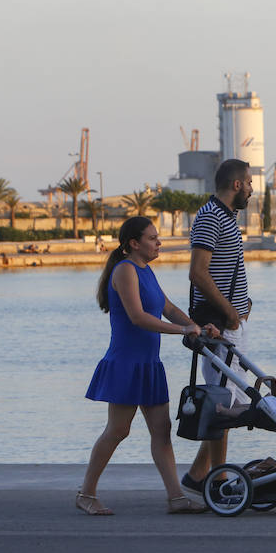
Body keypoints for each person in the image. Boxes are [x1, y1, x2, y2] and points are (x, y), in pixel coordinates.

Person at [78, 216, 218, 515]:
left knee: (161, 430)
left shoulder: (146, 270)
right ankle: (86, 493)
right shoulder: (125, 270)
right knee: (117, 431)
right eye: (153, 238)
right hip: (127, 363)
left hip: (149, 364)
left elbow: (167, 308)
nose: (159, 242)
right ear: (134, 243)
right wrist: (182, 331)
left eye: (158, 237)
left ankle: (176, 498)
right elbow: (138, 318)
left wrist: (197, 327)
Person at [180, 159, 254, 496]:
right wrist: (231, 312)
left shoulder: (224, 217)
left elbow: (225, 270)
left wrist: (243, 306)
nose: (252, 189)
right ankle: (218, 480)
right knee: (223, 405)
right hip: (218, 326)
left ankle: (199, 474)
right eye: (250, 183)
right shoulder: (211, 217)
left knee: (225, 401)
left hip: (228, 324)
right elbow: (198, 272)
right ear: (236, 185)